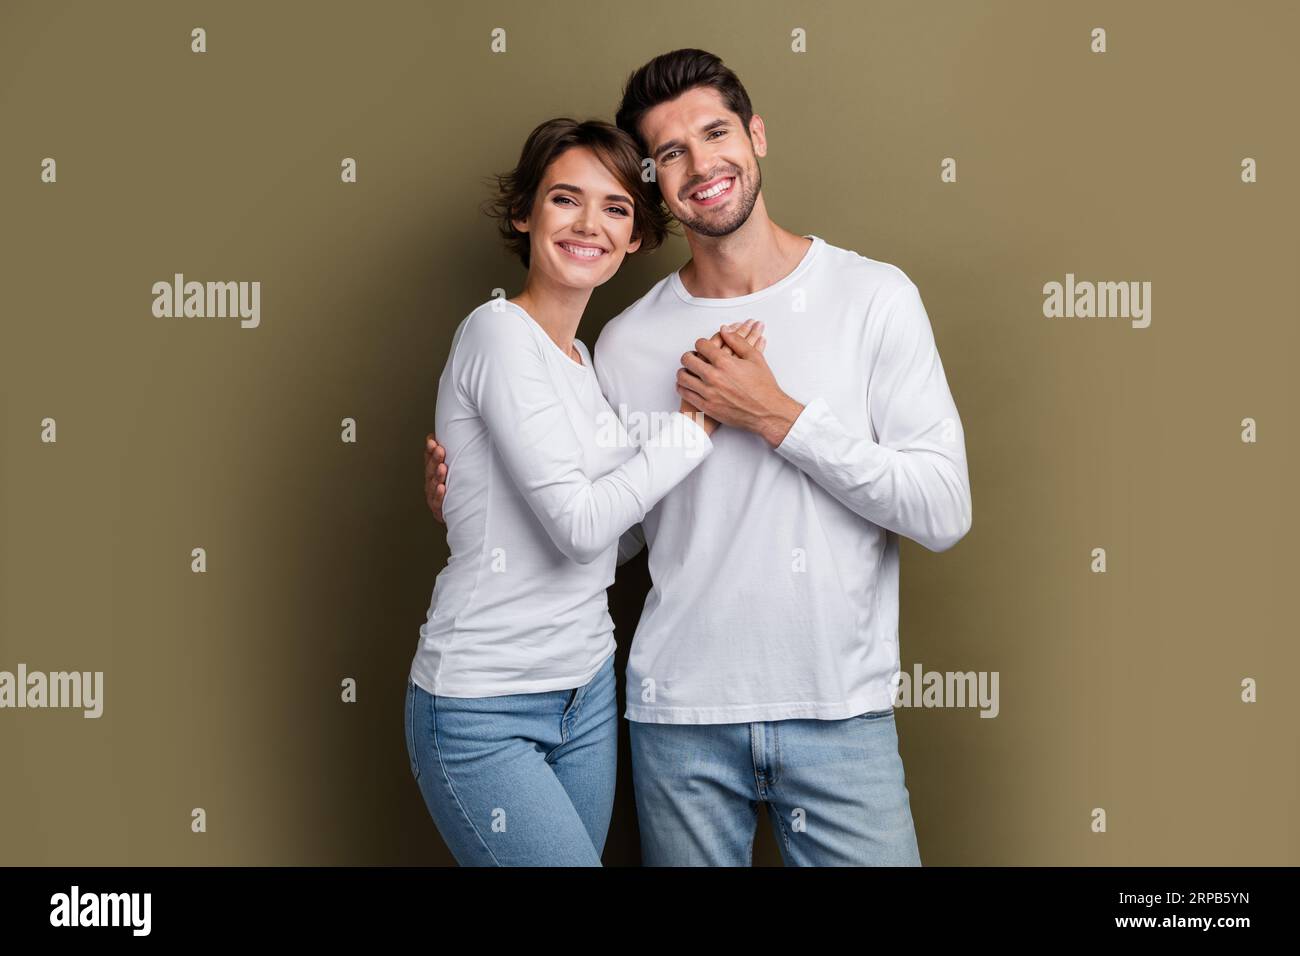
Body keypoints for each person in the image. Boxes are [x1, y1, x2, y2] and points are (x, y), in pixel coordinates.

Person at [427, 49, 972, 866]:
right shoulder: (625, 340)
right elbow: (612, 530)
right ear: (656, 182)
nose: (701, 163)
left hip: (840, 714)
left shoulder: (873, 297)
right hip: (676, 724)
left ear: (755, 135)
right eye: (670, 152)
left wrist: (779, 417)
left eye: (716, 132)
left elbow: (942, 510)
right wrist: (481, 497)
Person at [406, 115, 764, 866]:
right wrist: (694, 428)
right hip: (482, 707)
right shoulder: (497, 332)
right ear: (523, 212)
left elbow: (614, 533)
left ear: (634, 237)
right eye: (565, 199)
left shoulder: (582, 359)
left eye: (616, 208)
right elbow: (576, 523)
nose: (589, 225)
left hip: (586, 692)